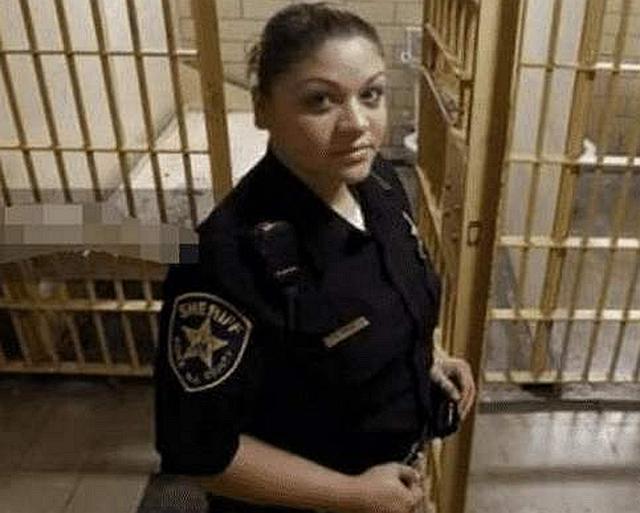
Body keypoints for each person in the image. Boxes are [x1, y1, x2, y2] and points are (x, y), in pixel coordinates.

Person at [154, 3, 475, 513]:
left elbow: (387, 298)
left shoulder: (379, 183)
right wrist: (353, 495)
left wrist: (427, 356)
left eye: (371, 94)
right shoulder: (223, 261)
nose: (357, 125)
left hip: (391, 485)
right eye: (320, 100)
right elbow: (201, 453)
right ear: (262, 108)